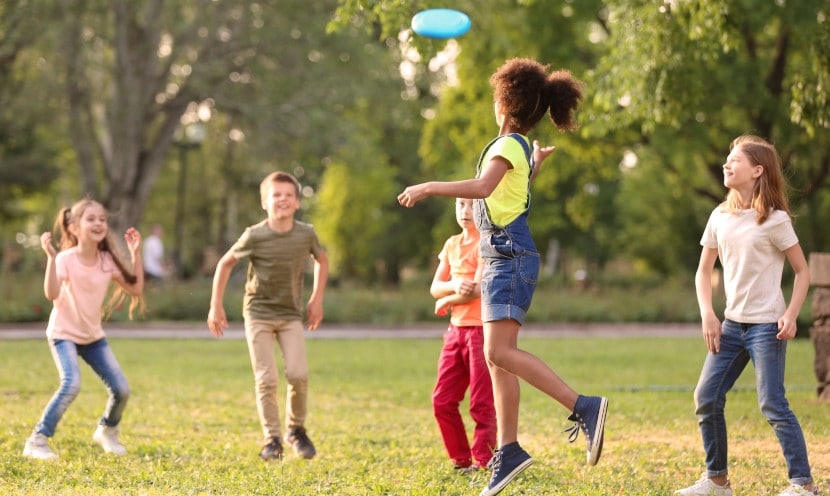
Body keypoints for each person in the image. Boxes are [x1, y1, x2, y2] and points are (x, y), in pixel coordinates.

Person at [398, 58, 608, 496]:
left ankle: (583, 406)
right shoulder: (515, 147)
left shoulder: (509, 144)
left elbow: (483, 189)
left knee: (498, 350)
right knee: (496, 357)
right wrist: (537, 167)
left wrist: (428, 186)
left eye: (497, 97)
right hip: (502, 254)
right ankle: (508, 450)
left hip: (508, 255)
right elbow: (511, 192)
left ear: (506, 105)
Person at [676, 135, 819, 496]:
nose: (727, 164)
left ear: (757, 170)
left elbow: (803, 271)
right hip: (730, 326)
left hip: (766, 327)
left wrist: (791, 314)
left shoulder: (775, 220)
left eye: (735, 160)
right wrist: (708, 314)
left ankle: (803, 484)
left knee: (772, 403)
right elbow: (703, 270)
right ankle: (718, 480)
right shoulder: (719, 216)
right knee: (705, 398)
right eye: (727, 159)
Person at [207, 171, 329, 461]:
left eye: (288, 195)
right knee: (267, 379)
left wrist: (316, 299)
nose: (282, 199)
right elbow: (225, 264)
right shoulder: (255, 234)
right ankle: (272, 440)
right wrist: (216, 305)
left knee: (298, 374)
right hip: (258, 313)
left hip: (290, 314)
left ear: (298, 202)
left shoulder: (306, 234)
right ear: (265, 202)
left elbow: (322, 260)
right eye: (276, 195)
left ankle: (296, 430)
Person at [23, 198, 145, 460]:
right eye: (91, 219)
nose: (99, 223)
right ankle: (36, 441)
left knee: (121, 389)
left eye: (102, 219)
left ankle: (107, 431)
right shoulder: (66, 259)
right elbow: (51, 293)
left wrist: (136, 254)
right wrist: (52, 259)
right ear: (74, 227)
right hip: (63, 334)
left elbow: (135, 288)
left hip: (93, 337)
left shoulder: (106, 261)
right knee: (71, 384)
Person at [430, 198, 496, 474]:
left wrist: (444, 302)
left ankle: (484, 461)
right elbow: (435, 286)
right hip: (455, 332)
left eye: (472, 205)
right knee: (442, 400)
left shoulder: (486, 242)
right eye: (460, 205)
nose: (465, 211)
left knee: (481, 403)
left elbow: (478, 289)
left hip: (481, 332)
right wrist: (451, 287)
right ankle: (461, 460)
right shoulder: (451, 244)